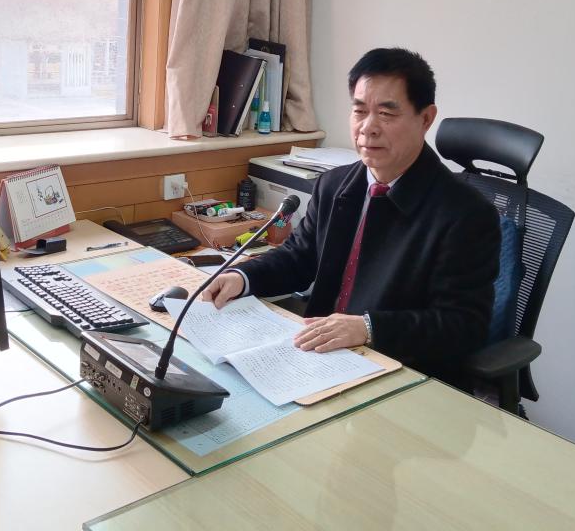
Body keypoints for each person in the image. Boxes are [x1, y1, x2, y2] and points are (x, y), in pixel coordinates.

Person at [203, 48, 500, 390]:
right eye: (360, 110)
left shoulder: (465, 214)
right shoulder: (335, 185)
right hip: (318, 360)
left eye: (386, 114)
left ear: (426, 118)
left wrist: (368, 328)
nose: (368, 128)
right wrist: (241, 277)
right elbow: (298, 258)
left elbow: (463, 326)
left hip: (401, 375)